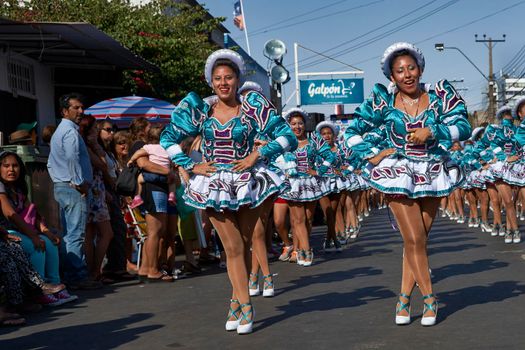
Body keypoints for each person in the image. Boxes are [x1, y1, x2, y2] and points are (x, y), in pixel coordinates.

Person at [161, 49, 297, 334]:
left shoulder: (252, 108)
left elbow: (287, 137)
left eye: (229, 77)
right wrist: (190, 164)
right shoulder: (201, 110)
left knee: (244, 244)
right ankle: (247, 305)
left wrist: (256, 155)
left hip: (248, 181)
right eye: (218, 78)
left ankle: (236, 303)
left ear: (237, 80)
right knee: (233, 247)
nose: (223, 83)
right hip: (214, 184)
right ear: (211, 82)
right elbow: (168, 138)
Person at [345, 42, 471, 326]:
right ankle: (429, 298)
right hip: (398, 172)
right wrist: (374, 154)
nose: (407, 74)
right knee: (413, 239)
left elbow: (463, 126)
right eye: (399, 71)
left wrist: (433, 131)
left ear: (420, 68)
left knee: (419, 240)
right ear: (392, 77)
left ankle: (403, 296)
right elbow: (353, 131)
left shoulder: (439, 96)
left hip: (433, 170)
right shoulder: (382, 102)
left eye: (411, 68)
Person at [0, 151, 76, 305]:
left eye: (15, 166)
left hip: (23, 230)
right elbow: (10, 213)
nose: (11, 170)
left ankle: (56, 286)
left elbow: (32, 214)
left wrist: (46, 233)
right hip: (6, 232)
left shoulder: (19, 189)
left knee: (50, 244)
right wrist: (33, 236)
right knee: (36, 247)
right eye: (6, 166)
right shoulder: (1, 188)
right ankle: (38, 291)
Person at [47, 93, 101, 290]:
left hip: (63, 186)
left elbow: (51, 163)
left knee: (69, 232)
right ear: (64, 111)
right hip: (72, 188)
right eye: (76, 108)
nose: (81, 111)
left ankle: (71, 274)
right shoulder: (69, 132)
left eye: (81, 107)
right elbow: (72, 158)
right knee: (75, 234)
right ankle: (77, 276)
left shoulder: (61, 131)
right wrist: (79, 182)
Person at [127, 126, 177, 209]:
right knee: (172, 182)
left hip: (152, 176)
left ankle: (137, 197)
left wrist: (131, 160)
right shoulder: (167, 148)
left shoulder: (149, 147)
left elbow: (139, 153)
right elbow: (172, 161)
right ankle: (172, 195)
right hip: (165, 178)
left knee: (139, 179)